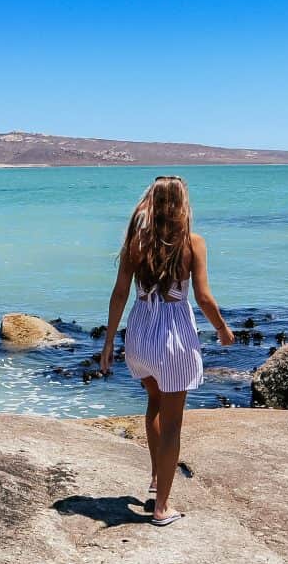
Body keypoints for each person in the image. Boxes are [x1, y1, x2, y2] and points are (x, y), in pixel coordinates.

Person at [100, 175, 234, 526]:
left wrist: (110, 341)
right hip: (173, 337)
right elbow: (203, 297)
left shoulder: (135, 243)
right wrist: (221, 327)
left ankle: (158, 477)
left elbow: (119, 294)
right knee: (173, 422)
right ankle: (161, 508)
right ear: (181, 205)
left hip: (141, 333)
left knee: (154, 403)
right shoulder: (193, 243)